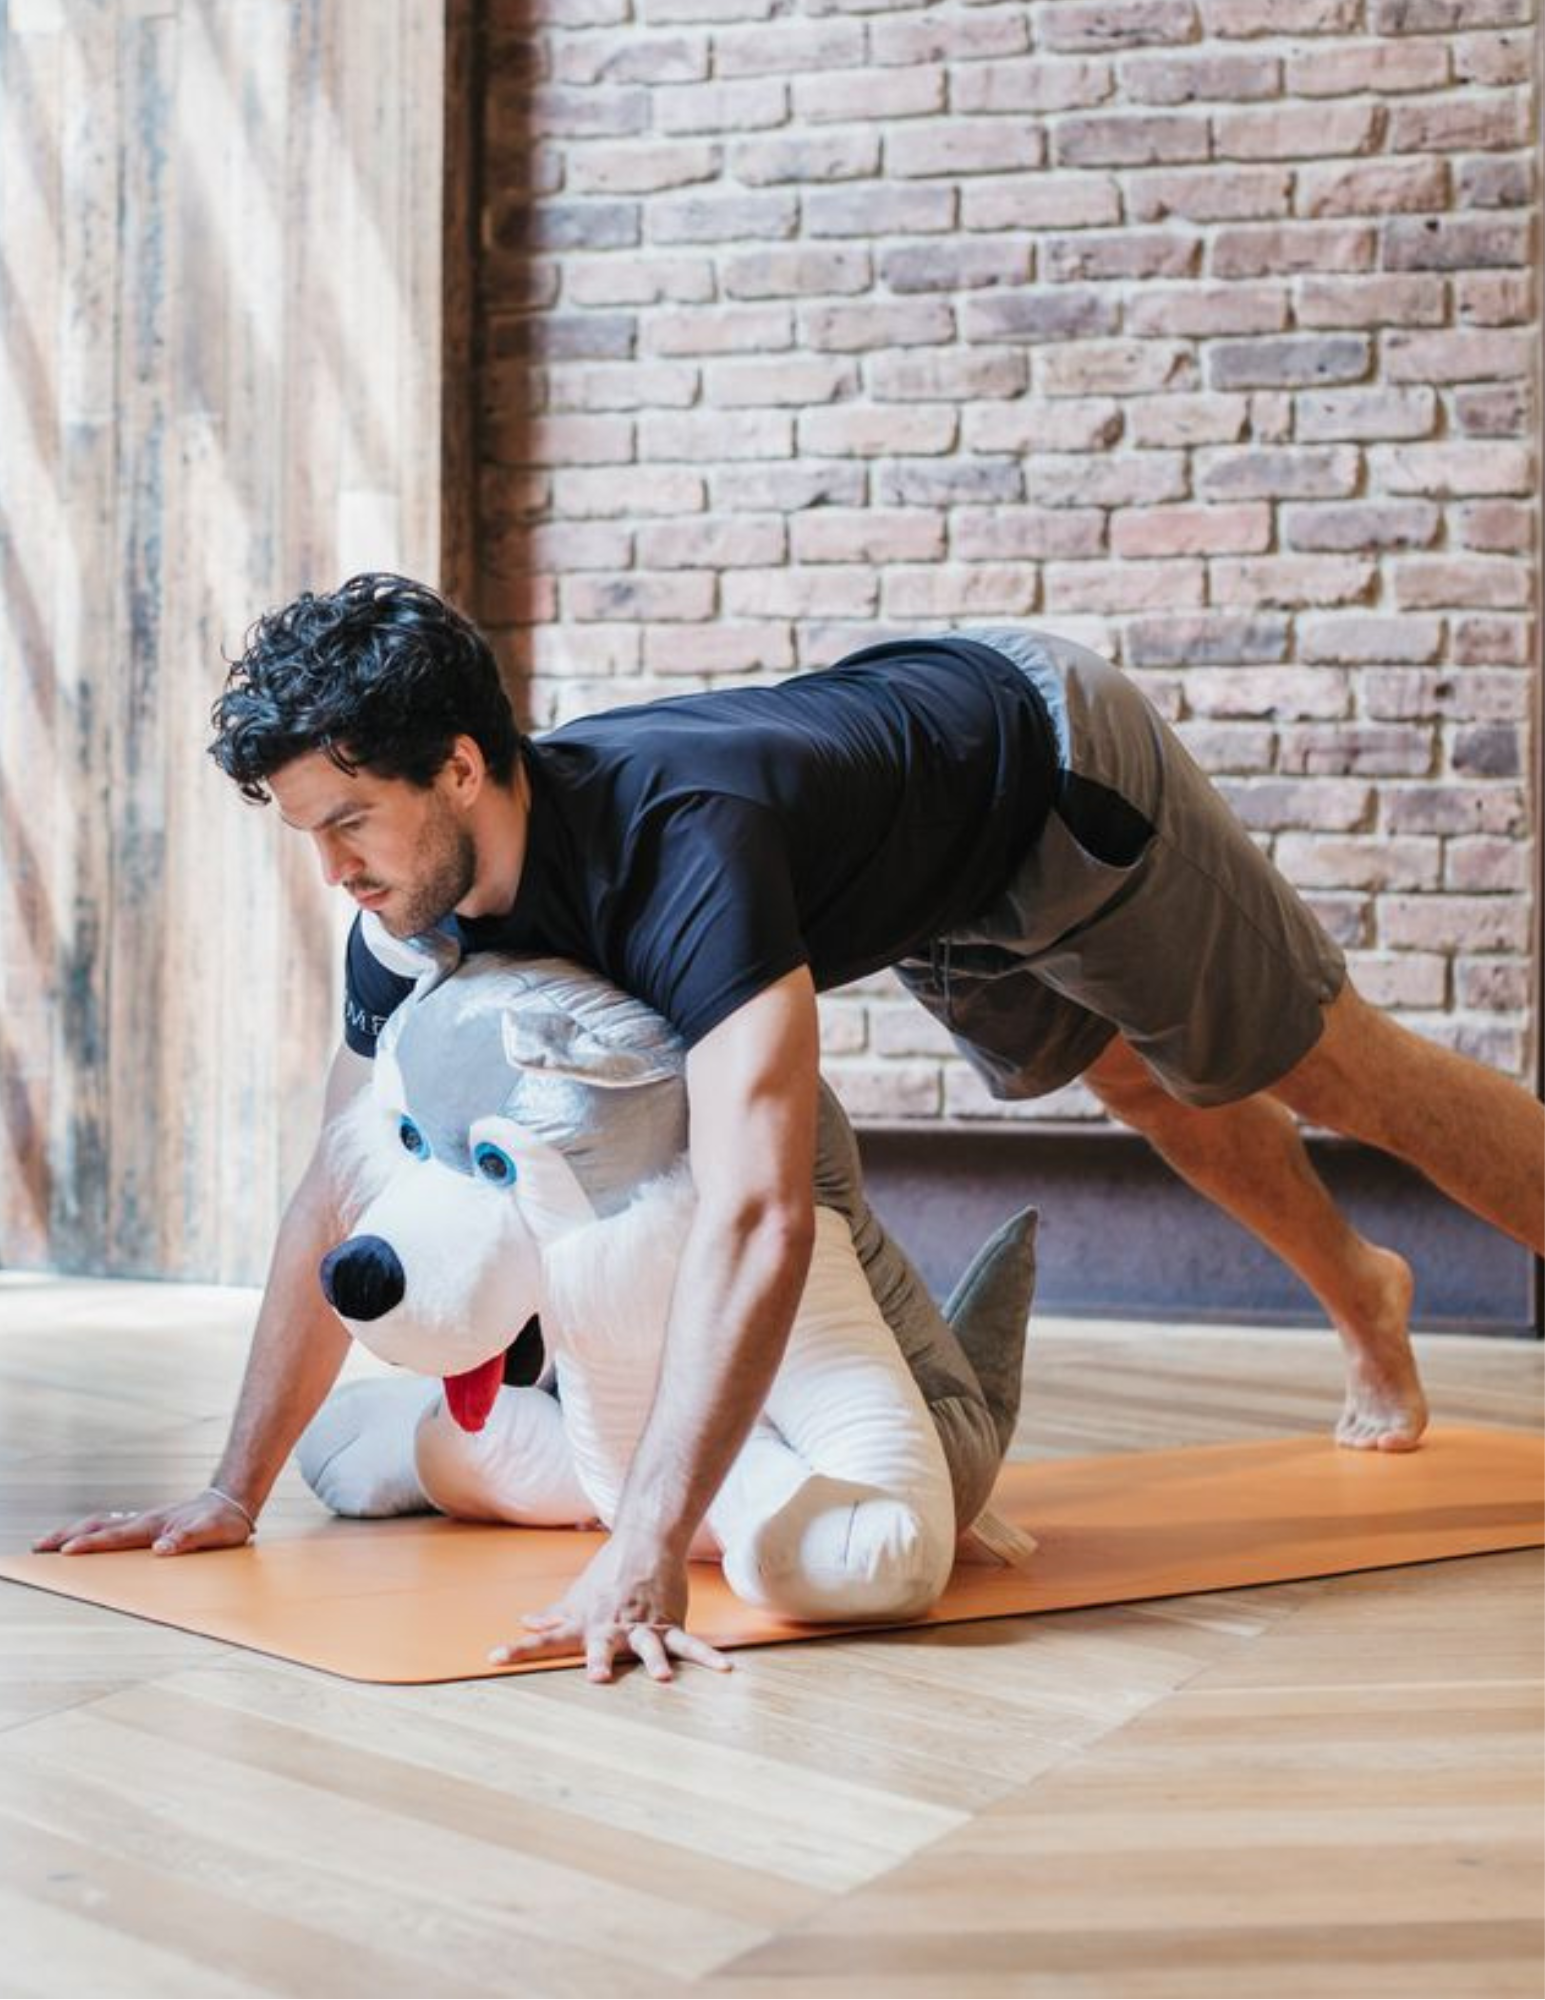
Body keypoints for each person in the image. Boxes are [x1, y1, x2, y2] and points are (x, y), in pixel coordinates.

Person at [37, 574, 1544, 1683]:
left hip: (1045, 772)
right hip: (914, 837)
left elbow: (762, 1209)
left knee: (1314, 1068)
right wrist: (233, 1487)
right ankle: (1370, 1293)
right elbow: (338, 1182)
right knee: (1141, 1080)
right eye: (305, 833)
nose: (332, 874)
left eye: (348, 823)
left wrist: (649, 1541)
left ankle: (1365, 1291)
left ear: (460, 765)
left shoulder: (684, 848)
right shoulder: (408, 921)